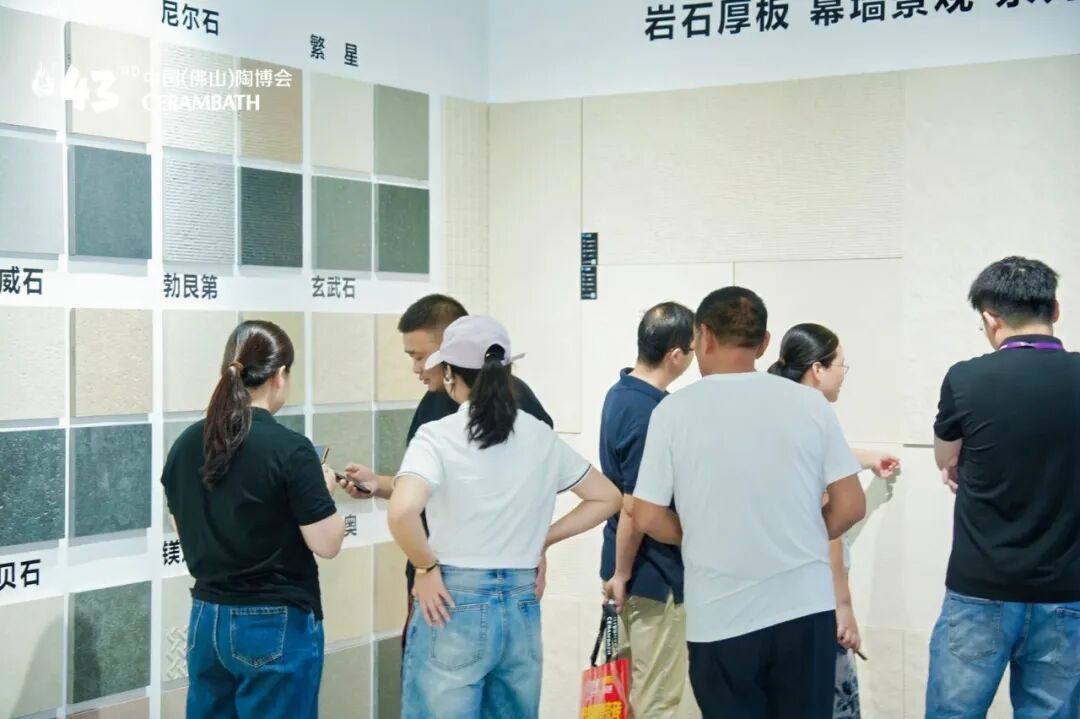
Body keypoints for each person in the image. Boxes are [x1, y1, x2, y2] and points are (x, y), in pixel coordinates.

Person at [629, 287, 867, 719]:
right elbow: (850, 506)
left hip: (721, 616)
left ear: (704, 336)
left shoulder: (674, 412)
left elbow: (645, 514)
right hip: (806, 610)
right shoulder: (810, 405)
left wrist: (697, 535)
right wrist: (801, 532)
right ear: (763, 343)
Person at [388, 315, 621, 718]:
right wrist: (543, 538)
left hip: (452, 600)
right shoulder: (540, 435)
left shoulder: (438, 435)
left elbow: (403, 510)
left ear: (449, 374)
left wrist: (425, 567)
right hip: (521, 601)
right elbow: (607, 497)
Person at [161, 320, 345, 719]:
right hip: (274, 621)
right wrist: (324, 491)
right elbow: (327, 543)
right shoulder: (291, 449)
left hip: (206, 618)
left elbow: (183, 528)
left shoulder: (187, 443)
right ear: (280, 375)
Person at [927, 256, 1080, 719]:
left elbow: (945, 458)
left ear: (991, 319)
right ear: (1054, 310)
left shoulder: (965, 377)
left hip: (980, 589)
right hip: (1067, 592)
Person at [339, 295, 554, 605]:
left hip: (492, 580)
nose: (416, 369)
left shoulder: (519, 408)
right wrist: (379, 484)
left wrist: (540, 546)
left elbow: (539, 492)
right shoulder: (434, 402)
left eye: (421, 357)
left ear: (453, 349)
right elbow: (426, 489)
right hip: (435, 578)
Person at [768, 323, 901, 719]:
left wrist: (865, 458)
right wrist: (843, 605)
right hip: (813, 592)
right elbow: (828, 519)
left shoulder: (774, 410)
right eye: (841, 364)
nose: (843, 374)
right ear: (817, 369)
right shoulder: (815, 417)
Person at [598, 301, 697, 718]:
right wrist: (623, 574)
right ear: (676, 355)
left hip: (625, 571)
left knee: (624, 697)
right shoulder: (650, 412)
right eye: (693, 349)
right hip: (650, 576)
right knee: (656, 699)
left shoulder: (620, 393)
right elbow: (636, 507)